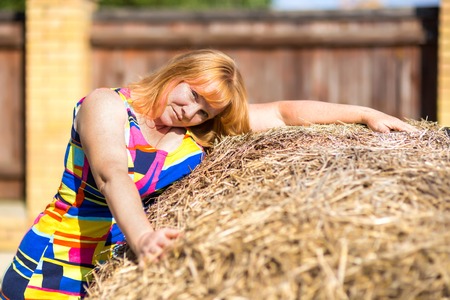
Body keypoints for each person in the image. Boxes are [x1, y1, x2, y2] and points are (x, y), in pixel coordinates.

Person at [0, 49, 417, 299]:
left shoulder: (195, 131)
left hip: (119, 268)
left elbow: (283, 113)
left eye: (205, 110)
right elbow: (112, 174)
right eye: (192, 94)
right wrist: (143, 237)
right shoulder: (106, 105)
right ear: (176, 74)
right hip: (56, 260)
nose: (191, 111)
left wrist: (366, 114)